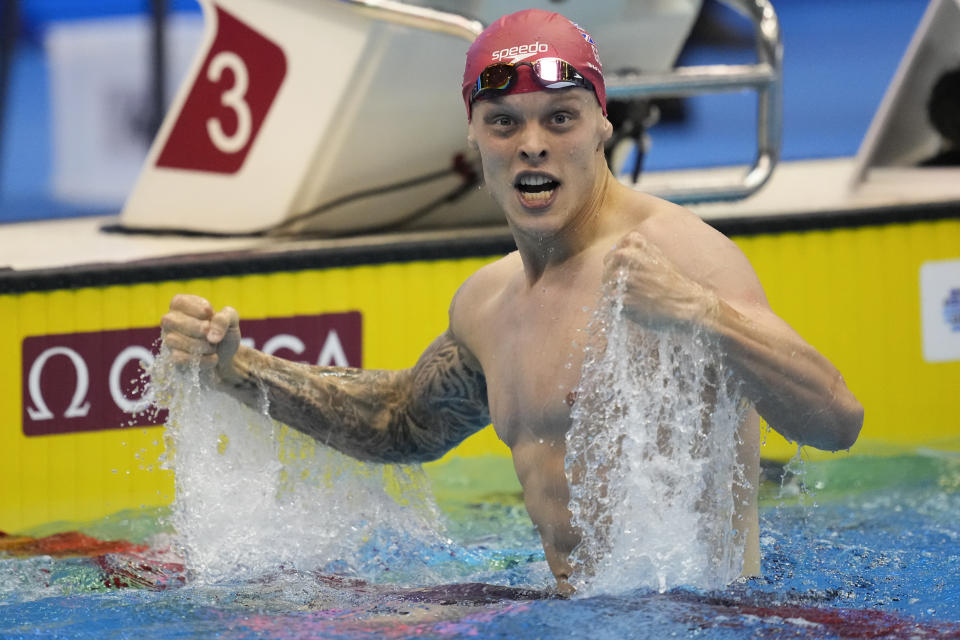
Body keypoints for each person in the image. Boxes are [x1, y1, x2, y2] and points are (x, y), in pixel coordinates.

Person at [160, 9, 863, 595]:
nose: (533, 146)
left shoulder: (679, 258)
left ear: (601, 125)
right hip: (565, 612)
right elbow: (396, 424)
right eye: (505, 123)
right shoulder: (489, 303)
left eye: (560, 119)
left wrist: (701, 315)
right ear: (473, 135)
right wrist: (239, 371)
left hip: (699, 617)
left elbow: (837, 420)